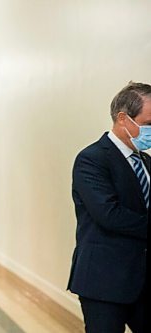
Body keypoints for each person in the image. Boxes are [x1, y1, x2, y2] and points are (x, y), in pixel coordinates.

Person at [68, 82, 150, 333]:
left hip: (143, 279)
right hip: (105, 281)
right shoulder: (91, 159)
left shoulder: (146, 161)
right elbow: (109, 215)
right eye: (149, 123)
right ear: (124, 119)